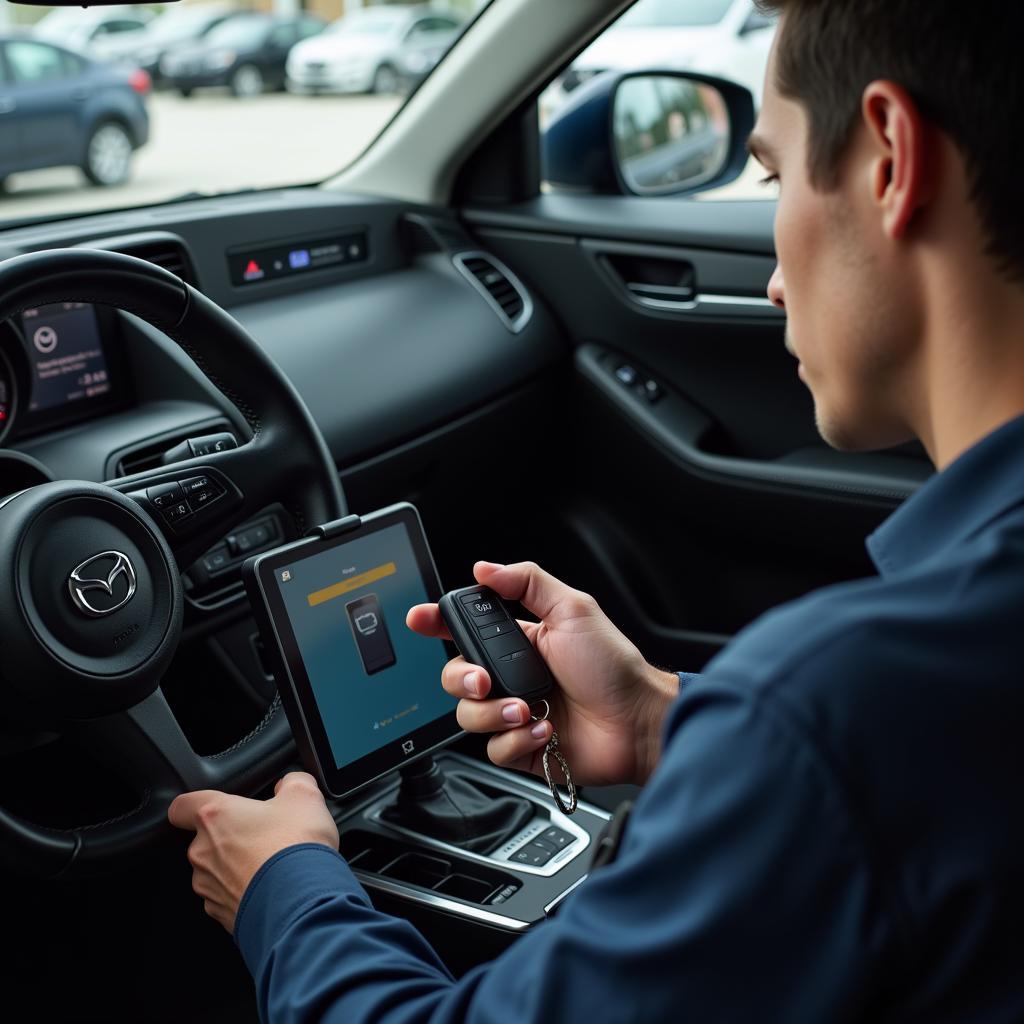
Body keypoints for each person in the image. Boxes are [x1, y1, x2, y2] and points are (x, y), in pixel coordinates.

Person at [168, 1, 1024, 1019]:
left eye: (774, 175)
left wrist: (284, 888)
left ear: (888, 158)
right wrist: (667, 718)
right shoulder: (912, 681)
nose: (769, 282)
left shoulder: (840, 706)